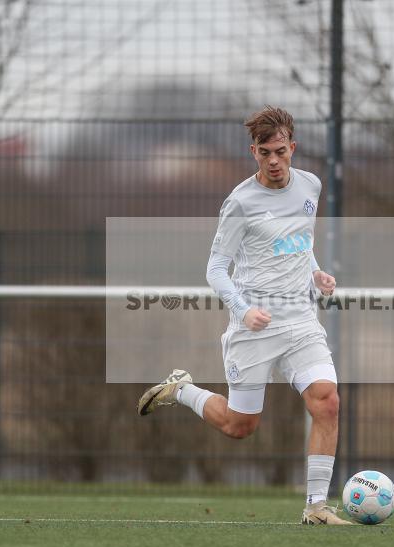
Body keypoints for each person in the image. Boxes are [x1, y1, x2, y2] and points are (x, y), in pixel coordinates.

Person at [138, 105, 350, 525]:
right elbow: (216, 270)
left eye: (280, 151)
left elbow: (299, 240)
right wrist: (243, 309)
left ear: (293, 147)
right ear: (253, 151)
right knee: (240, 426)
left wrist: (316, 272)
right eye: (264, 152)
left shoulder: (310, 185)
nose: (274, 161)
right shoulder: (239, 203)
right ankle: (181, 390)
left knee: (326, 402)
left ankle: (316, 508)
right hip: (253, 326)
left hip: (300, 318)